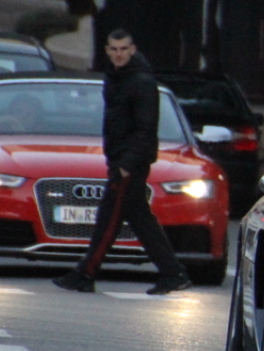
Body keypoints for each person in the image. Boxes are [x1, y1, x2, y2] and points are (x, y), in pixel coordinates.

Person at [53, 29, 191, 295]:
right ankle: (173, 273)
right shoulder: (115, 78)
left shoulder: (141, 81)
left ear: (133, 49)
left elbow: (146, 128)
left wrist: (127, 163)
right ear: (107, 50)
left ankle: (86, 272)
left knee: (109, 218)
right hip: (120, 159)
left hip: (130, 163)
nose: (118, 54)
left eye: (123, 49)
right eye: (114, 49)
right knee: (139, 218)